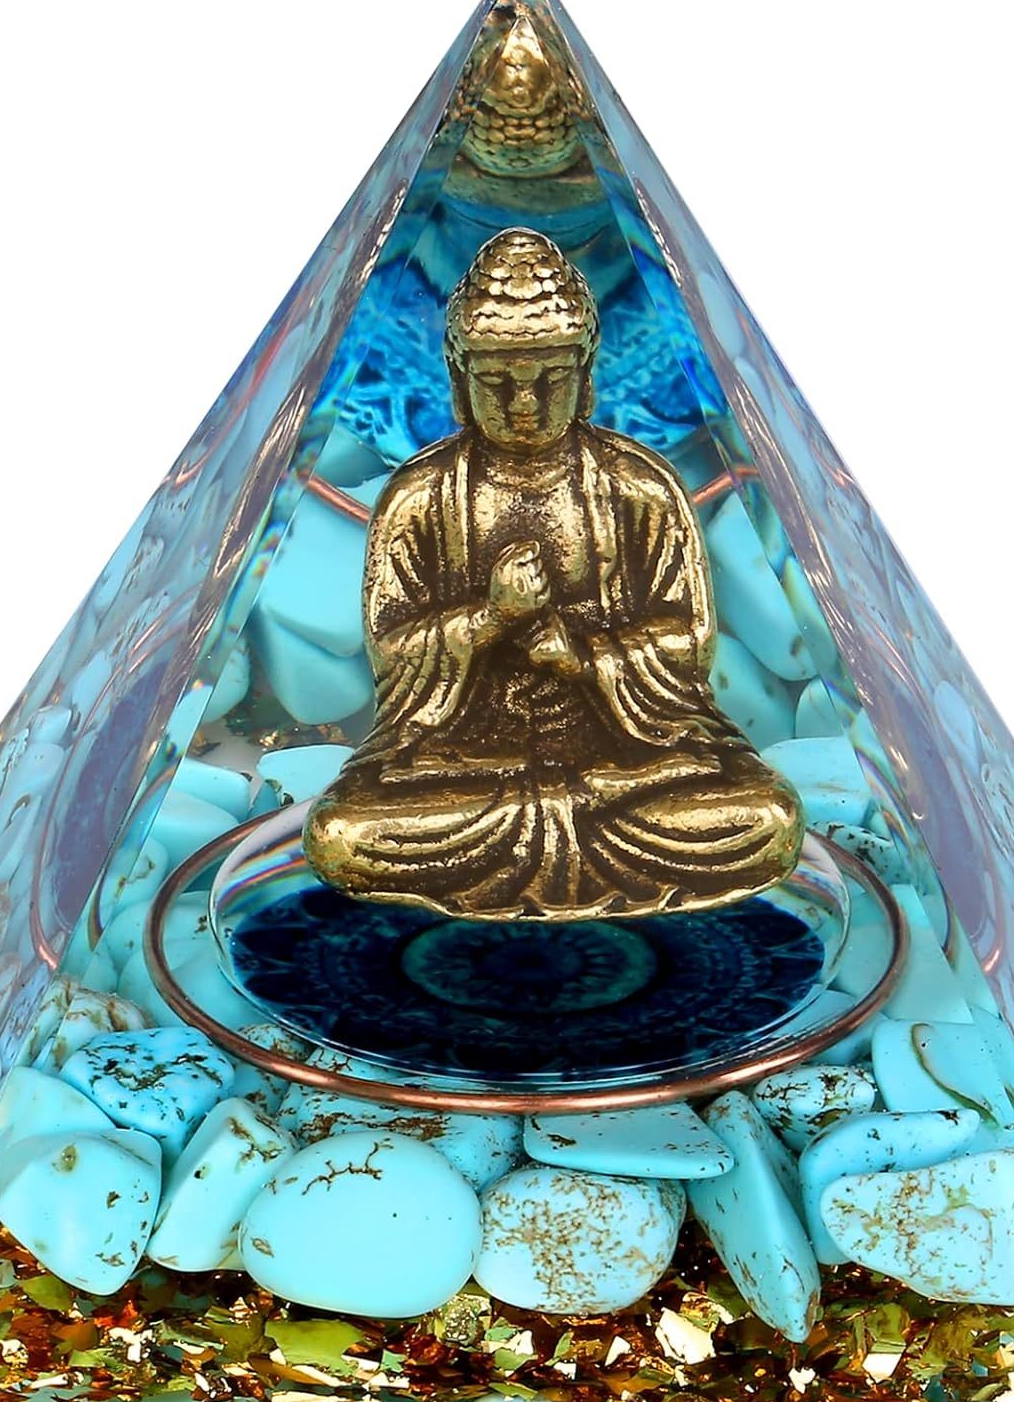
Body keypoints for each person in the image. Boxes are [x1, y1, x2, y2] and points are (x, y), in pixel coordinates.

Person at [303, 228, 803, 920]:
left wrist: (583, 658)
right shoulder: (421, 497)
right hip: (468, 762)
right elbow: (392, 650)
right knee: (342, 835)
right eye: (498, 382)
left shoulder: (640, 488)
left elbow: (688, 642)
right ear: (459, 381)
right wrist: (490, 620)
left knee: (767, 819)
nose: (525, 403)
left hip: (628, 758)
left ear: (587, 374)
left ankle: (539, 861)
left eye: (550, 379)